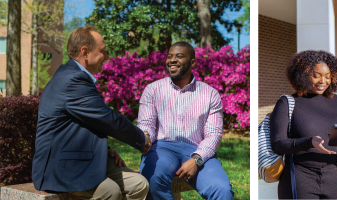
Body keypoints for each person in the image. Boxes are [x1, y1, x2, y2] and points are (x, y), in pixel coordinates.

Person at [33, 25, 151, 199]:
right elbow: (107, 118)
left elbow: (84, 124)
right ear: (85, 52)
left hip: (83, 157)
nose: (107, 56)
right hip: (61, 167)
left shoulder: (73, 76)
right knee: (110, 191)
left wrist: (106, 150)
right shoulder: (72, 79)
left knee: (139, 185)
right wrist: (142, 140)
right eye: (102, 51)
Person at [136, 42, 234, 199]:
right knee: (153, 179)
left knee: (222, 190)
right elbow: (146, 124)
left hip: (197, 149)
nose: (172, 60)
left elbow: (213, 135)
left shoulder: (210, 94)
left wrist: (196, 160)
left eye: (179, 56)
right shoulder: (152, 90)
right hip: (162, 148)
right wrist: (144, 137)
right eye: (170, 56)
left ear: (192, 62)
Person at [269, 50, 337, 200]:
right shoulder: (287, 103)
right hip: (300, 176)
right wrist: (309, 142)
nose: (323, 81)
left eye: (328, 77)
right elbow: (278, 144)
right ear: (302, 75)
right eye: (316, 75)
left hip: (335, 178)